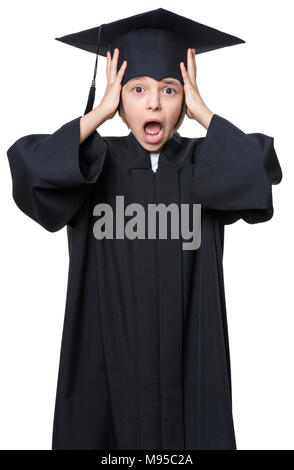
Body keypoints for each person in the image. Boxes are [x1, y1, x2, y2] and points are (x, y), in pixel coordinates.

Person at [6, 9, 282, 450]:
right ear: (119, 100)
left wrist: (205, 113)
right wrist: (97, 115)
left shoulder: (204, 163)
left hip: (190, 377)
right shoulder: (91, 164)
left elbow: (260, 171)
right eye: (137, 90)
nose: (153, 103)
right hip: (106, 377)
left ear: (184, 100)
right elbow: (30, 171)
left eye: (169, 90)